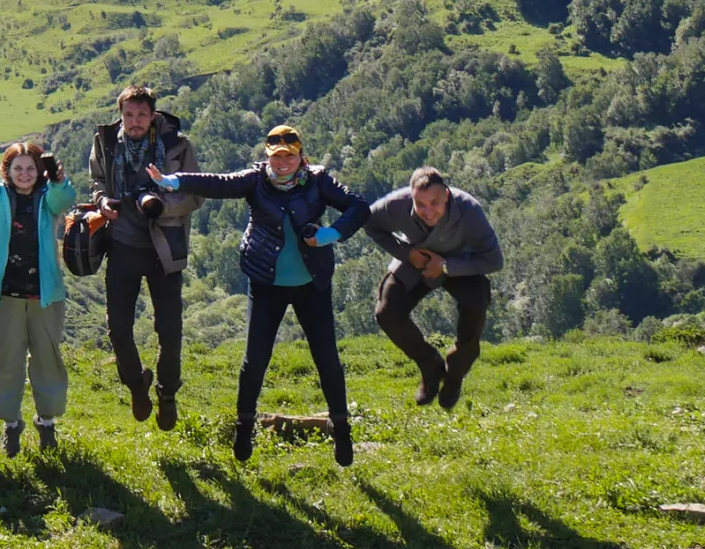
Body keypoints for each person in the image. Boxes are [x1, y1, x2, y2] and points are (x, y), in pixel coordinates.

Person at [146, 124, 369, 466]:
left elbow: (358, 206)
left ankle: (341, 429)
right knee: (255, 360)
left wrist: (331, 234)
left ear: (301, 156)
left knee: (327, 359)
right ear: (267, 157)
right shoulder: (256, 180)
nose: (282, 163)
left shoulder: (319, 180)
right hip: (266, 281)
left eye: (289, 157)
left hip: (312, 282)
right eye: (276, 157)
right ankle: (243, 428)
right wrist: (174, 182)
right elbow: (219, 184)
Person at [0, 120, 76, 457]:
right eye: (17, 168)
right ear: (7, 170)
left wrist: (58, 180)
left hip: (45, 294)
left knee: (47, 357)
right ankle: (11, 424)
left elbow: (65, 198)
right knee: (7, 358)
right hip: (5, 292)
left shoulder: (48, 198)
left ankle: (46, 421)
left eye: (31, 168)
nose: (24, 174)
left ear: (40, 172)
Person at [88, 85, 201, 429]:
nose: (134, 121)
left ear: (153, 115)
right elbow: (97, 181)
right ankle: (137, 385)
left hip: (164, 246)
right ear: (120, 114)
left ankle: (167, 394)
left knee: (169, 329)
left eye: (141, 115)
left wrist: (162, 205)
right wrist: (102, 202)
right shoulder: (106, 142)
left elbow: (195, 193)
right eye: (128, 115)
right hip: (122, 244)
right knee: (118, 328)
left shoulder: (177, 145)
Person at [366, 166, 503, 410]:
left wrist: (446, 266)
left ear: (447, 195)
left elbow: (494, 260)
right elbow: (369, 222)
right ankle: (430, 366)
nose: (428, 212)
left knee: (476, 304)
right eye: (420, 204)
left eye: (435, 203)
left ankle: (455, 373)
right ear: (411, 197)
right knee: (386, 311)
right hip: (417, 258)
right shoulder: (396, 204)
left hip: (460, 263)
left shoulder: (469, 209)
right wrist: (407, 253)